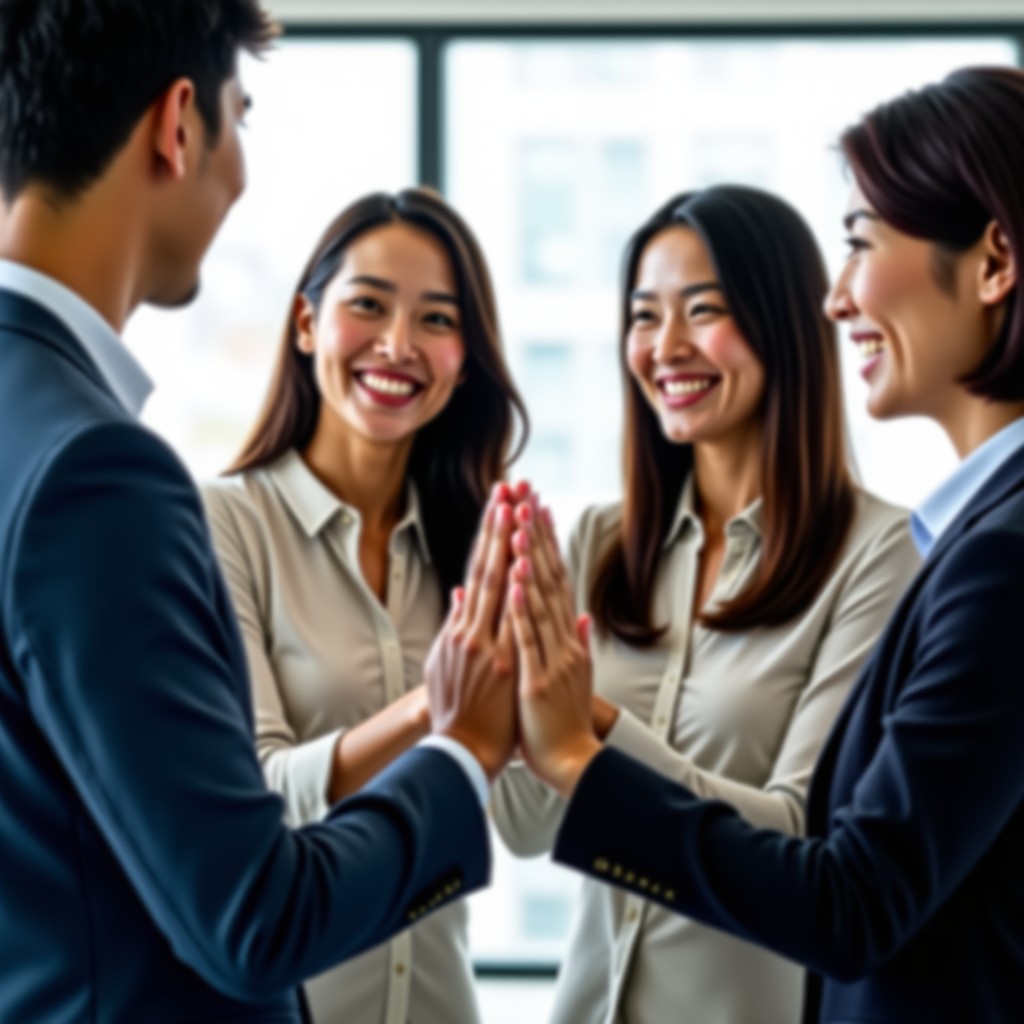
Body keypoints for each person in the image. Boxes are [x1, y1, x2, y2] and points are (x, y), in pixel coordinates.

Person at [0, 4, 518, 1021]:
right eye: (243, 118)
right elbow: (253, 918)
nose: (239, 174)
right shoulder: (100, 472)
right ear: (179, 124)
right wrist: (456, 747)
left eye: (438, 319)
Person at [508, 66, 1024, 1024]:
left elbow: (849, 893)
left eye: (862, 245)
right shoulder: (975, 539)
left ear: (995, 265)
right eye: (643, 314)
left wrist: (588, 750)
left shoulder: (986, 559)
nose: (840, 302)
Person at [492, 185, 919, 1024]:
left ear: (785, 326)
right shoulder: (596, 544)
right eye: (645, 316)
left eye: (703, 311)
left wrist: (596, 730)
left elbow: (800, 832)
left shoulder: (881, 555)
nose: (666, 347)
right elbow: (525, 827)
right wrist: (497, 687)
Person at [202, 188, 527, 1024]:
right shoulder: (223, 524)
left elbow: (531, 822)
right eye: (368, 306)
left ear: (466, 358)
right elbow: (263, 792)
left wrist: (549, 694)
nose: (398, 345)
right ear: (308, 326)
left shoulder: (481, 547)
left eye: (437, 320)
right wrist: (442, 709)